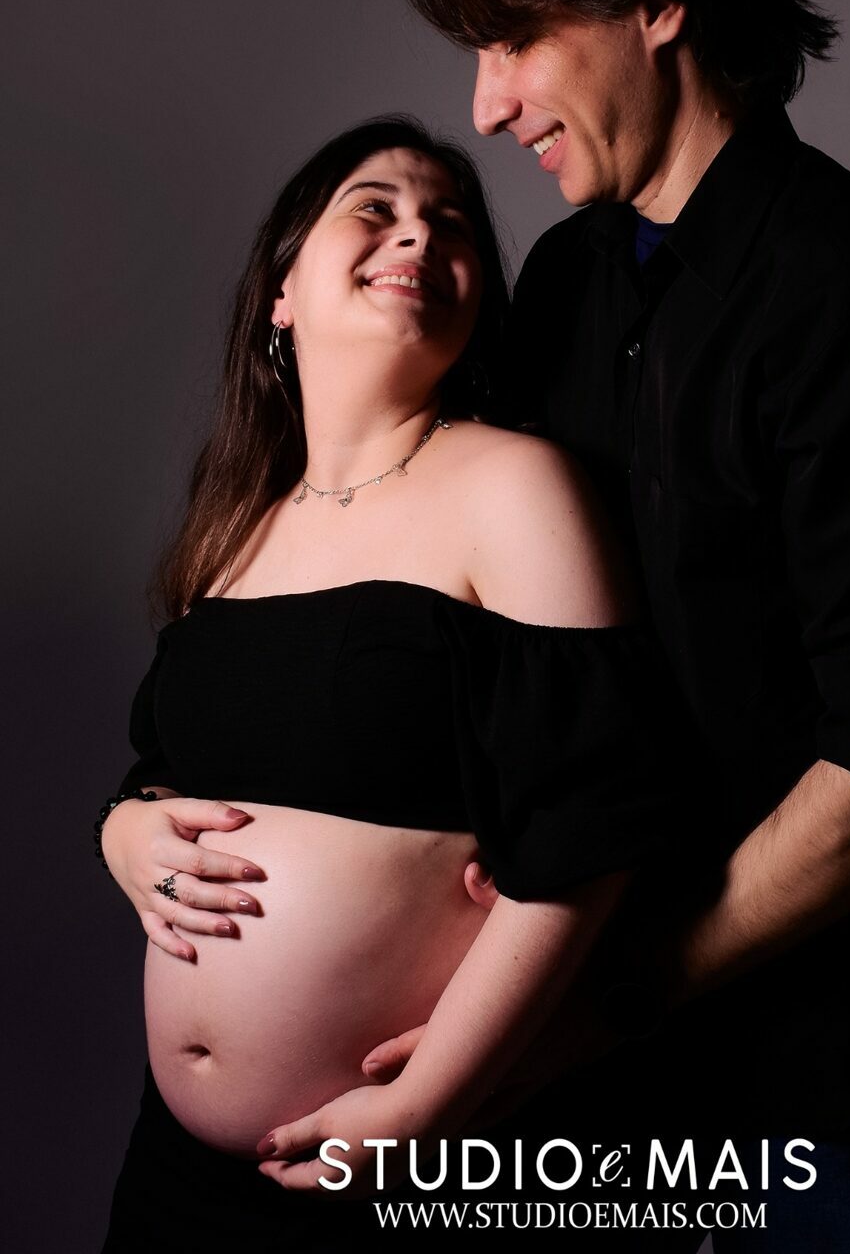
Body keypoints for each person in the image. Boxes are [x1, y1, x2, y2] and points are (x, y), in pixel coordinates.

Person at [392, 0, 850, 1251]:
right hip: (602, 1082)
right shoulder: (568, 285)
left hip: (822, 1099)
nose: (484, 106)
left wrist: (614, 996)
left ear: (656, 0)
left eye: (514, 38)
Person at [98, 115, 678, 1251]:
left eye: (449, 224)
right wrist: (119, 831)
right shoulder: (235, 529)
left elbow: (594, 826)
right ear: (281, 291)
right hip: (180, 1174)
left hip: (417, 1157)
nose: (418, 233)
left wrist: (426, 1104)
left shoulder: (515, 486)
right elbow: (170, 767)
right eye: (377, 207)